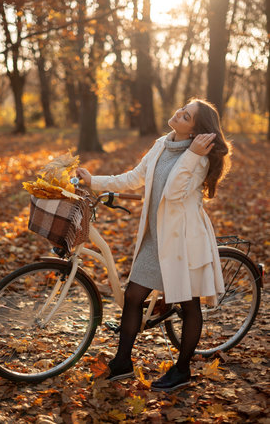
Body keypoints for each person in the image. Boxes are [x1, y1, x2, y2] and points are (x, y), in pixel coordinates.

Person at [76, 98, 231, 392]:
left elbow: (173, 194)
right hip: (155, 237)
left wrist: (192, 155)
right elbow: (135, 177)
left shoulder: (199, 156)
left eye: (185, 116)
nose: (178, 114)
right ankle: (122, 362)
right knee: (134, 297)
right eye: (182, 109)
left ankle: (182, 369)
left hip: (183, 240)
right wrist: (93, 180)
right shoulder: (163, 143)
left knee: (189, 304)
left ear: (196, 130)